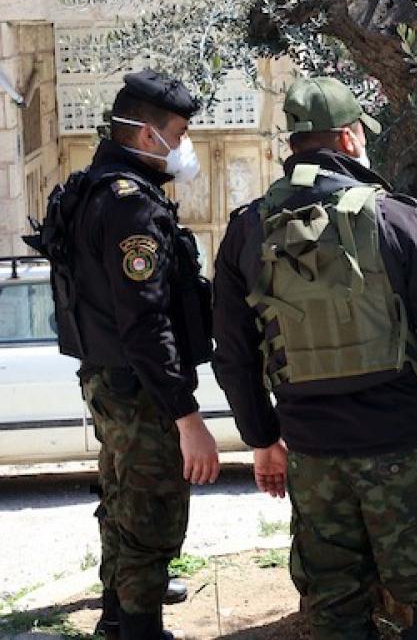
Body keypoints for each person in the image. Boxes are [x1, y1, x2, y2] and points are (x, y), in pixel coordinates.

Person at [211, 76, 417, 639]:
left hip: (312, 452)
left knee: (334, 604)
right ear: (351, 137)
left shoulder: (247, 228)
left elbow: (233, 354)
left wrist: (263, 437)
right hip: (402, 444)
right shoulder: (396, 216)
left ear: (292, 144)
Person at [28, 69, 221, 639]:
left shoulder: (94, 186)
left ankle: (117, 615)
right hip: (142, 391)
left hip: (110, 379)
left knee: (121, 500)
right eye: (178, 134)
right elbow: (145, 323)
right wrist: (187, 417)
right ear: (145, 135)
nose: (183, 146)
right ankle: (139, 628)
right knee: (150, 511)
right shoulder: (130, 207)